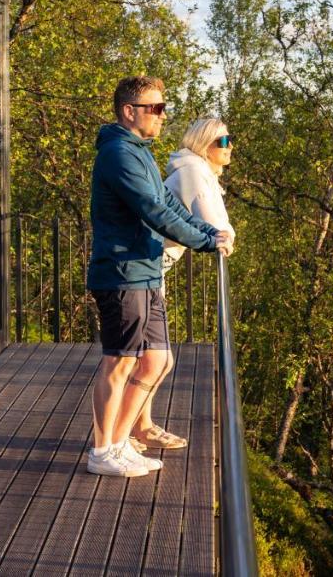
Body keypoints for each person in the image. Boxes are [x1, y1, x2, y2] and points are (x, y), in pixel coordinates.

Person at [86, 75, 234, 477]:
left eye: (164, 107)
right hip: (123, 273)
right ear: (129, 111)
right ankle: (102, 452)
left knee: (156, 359)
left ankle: (120, 443)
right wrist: (205, 243)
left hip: (144, 271)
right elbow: (154, 210)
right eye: (155, 108)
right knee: (119, 365)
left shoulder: (140, 152)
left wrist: (208, 233)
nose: (162, 115)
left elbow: (170, 203)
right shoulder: (118, 153)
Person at [129, 117, 236, 452]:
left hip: (151, 269)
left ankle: (139, 428)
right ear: (204, 143)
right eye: (222, 141)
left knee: (148, 358)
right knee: (149, 359)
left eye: (229, 140)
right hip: (144, 269)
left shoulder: (194, 170)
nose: (229, 147)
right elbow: (214, 223)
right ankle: (125, 434)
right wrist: (224, 237)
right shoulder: (192, 171)